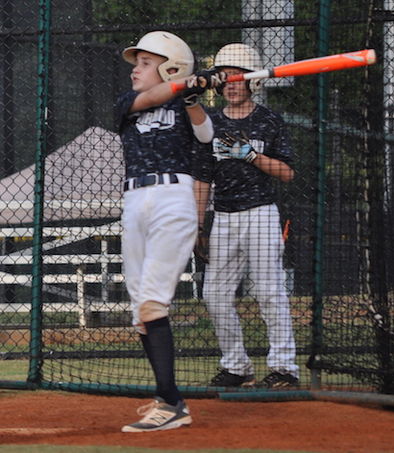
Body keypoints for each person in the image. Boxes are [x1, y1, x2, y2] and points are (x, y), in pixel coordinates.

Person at [116, 30, 220, 432]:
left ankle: (172, 404)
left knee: (152, 304)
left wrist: (193, 96)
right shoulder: (128, 103)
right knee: (140, 312)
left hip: (172, 196)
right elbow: (151, 98)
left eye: (144, 63)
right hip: (132, 203)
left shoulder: (185, 105)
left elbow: (206, 135)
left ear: (171, 66)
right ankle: (168, 398)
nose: (135, 71)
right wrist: (184, 85)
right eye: (137, 63)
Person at [194, 43, 299, 389]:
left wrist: (250, 155)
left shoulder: (269, 120)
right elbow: (202, 178)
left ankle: (284, 369)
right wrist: (198, 226)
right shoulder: (210, 124)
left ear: (254, 82)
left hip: (261, 214)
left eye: (239, 79)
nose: (232, 85)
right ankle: (237, 367)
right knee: (215, 294)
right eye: (226, 80)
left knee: (270, 292)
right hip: (223, 217)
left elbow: (287, 173)